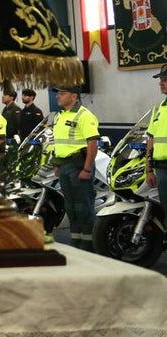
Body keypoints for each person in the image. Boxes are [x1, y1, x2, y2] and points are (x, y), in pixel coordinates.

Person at [50, 87, 100, 251]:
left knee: (83, 207)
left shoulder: (84, 115)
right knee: (70, 207)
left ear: (74, 96)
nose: (58, 96)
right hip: (64, 166)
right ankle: (76, 241)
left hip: (79, 166)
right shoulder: (59, 115)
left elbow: (92, 144)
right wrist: (57, 165)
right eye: (57, 93)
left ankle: (88, 244)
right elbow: (59, 142)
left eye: (62, 93)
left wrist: (86, 169)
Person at [144, 65, 167, 217]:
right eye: (160, 80)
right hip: (161, 169)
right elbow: (150, 140)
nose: (160, 83)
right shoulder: (158, 109)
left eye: (165, 79)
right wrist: (149, 169)